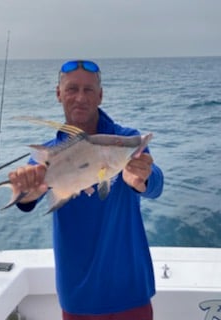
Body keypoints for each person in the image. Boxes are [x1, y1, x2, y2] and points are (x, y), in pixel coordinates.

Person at [9, 60, 164, 320]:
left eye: (89, 90)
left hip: (130, 289)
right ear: (58, 93)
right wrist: (25, 188)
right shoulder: (48, 155)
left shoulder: (123, 140)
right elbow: (27, 199)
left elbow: (155, 184)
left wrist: (143, 178)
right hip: (77, 295)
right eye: (72, 89)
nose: (80, 97)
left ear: (100, 95)